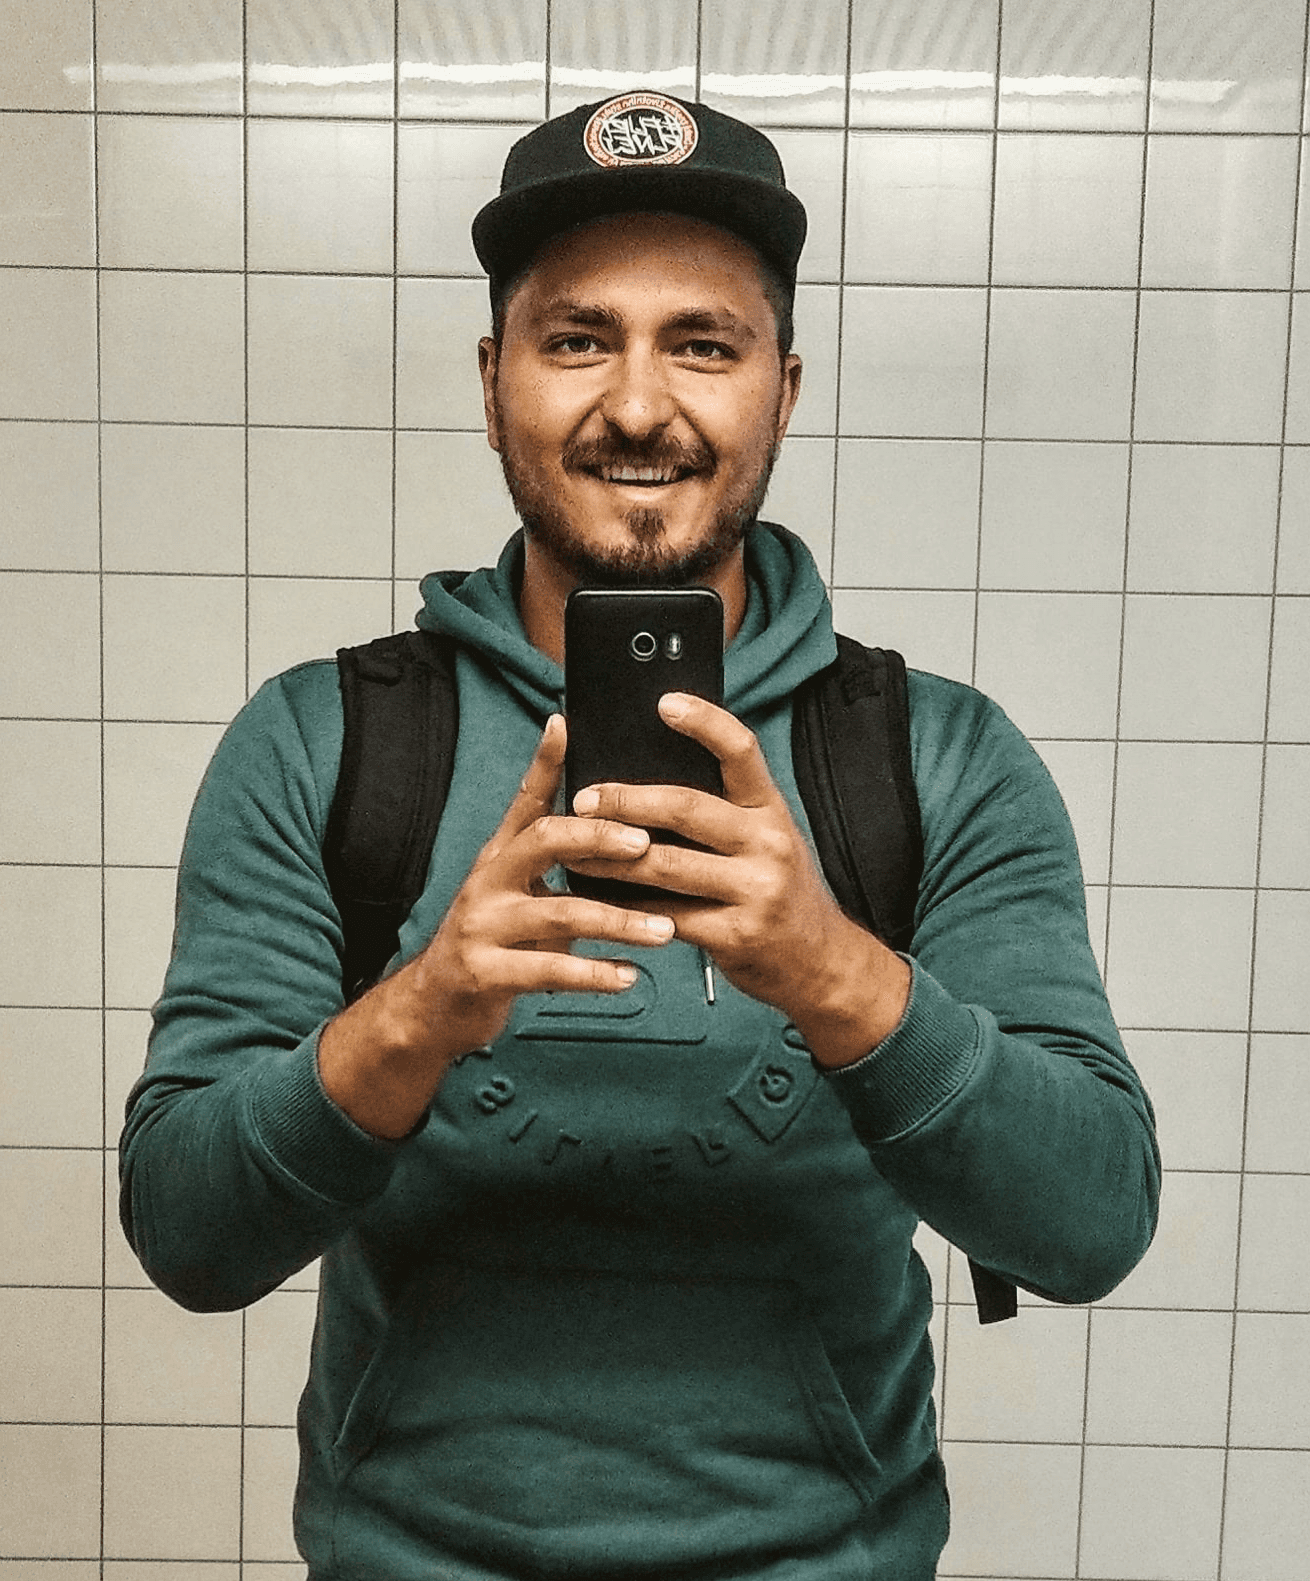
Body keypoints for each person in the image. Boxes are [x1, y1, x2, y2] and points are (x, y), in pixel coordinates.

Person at [121, 91, 1160, 1580]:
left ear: (782, 390)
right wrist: (420, 1013)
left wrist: (835, 974)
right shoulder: (323, 741)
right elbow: (188, 1235)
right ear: (494, 383)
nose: (636, 403)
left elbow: (1091, 1225)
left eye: (703, 343)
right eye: (574, 338)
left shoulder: (934, 758)